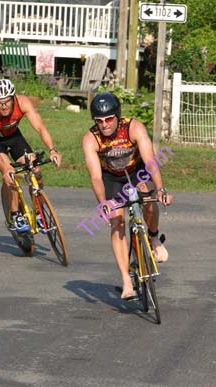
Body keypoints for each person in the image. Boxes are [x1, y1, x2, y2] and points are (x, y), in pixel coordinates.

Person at [82, 92, 173, 301]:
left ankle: (153, 238)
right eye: (99, 121)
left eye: (109, 119)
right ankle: (126, 281)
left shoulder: (134, 127)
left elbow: (150, 161)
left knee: (149, 199)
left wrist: (160, 189)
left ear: (117, 116)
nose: (104, 125)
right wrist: (103, 203)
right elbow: (95, 176)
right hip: (112, 179)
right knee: (117, 222)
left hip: (137, 172)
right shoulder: (90, 139)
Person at [0, 78, 61, 233]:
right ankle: (16, 214)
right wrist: (5, 168)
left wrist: (52, 149)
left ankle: (38, 212)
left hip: (15, 137)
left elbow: (40, 127)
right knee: (10, 175)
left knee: (36, 171)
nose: (4, 106)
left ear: (13, 98)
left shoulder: (22, 102)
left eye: (7, 101)